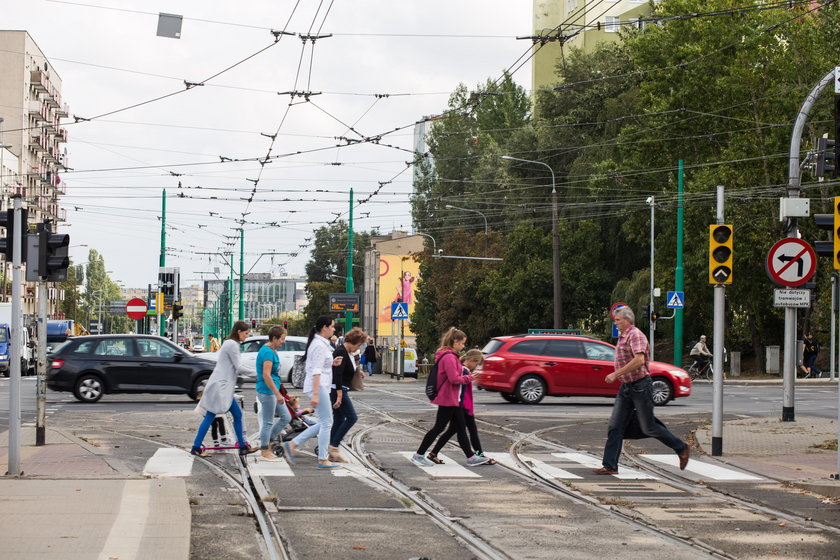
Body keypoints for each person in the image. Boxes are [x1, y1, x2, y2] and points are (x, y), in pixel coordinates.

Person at [594, 307, 690, 474]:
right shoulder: (622, 336)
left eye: (617, 320)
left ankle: (681, 448)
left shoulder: (635, 335)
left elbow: (639, 360)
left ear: (627, 320)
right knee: (615, 426)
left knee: (649, 427)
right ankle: (610, 465)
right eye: (615, 320)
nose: (615, 323)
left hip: (640, 386)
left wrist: (616, 374)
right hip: (626, 388)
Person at [410, 328, 490, 468]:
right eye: (462, 343)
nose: (463, 346)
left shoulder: (450, 356)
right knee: (439, 428)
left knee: (460, 428)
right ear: (455, 341)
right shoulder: (449, 357)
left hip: (453, 398)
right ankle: (419, 455)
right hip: (448, 398)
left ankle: (471, 457)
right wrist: (469, 378)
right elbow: (454, 379)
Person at [282, 316, 344, 469]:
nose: (334, 329)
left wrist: (332, 363)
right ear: (324, 327)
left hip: (320, 385)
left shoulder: (320, 344)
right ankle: (323, 459)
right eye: (332, 326)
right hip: (318, 386)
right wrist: (316, 394)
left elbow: (319, 365)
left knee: (325, 422)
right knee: (327, 423)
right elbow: (315, 370)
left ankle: (292, 445)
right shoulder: (319, 345)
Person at [191, 321, 258, 457]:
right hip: (221, 388)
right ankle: (196, 447)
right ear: (239, 331)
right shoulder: (232, 344)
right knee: (210, 416)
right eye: (246, 334)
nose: (246, 337)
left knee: (237, 415)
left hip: (223, 387)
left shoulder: (230, 343)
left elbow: (236, 366)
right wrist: (259, 373)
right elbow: (239, 367)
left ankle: (242, 446)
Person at [427, 349, 495, 465]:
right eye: (476, 363)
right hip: (463, 406)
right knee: (470, 430)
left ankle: (433, 453)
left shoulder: (464, 370)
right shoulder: (464, 371)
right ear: (471, 360)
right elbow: (463, 392)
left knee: (451, 430)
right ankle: (479, 456)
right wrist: (467, 407)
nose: (476, 366)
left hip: (461, 405)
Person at [329, 327, 366, 463]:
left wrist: (358, 372)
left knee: (339, 419)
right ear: (353, 341)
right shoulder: (341, 352)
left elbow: (347, 369)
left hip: (339, 388)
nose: (358, 347)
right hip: (337, 389)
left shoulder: (347, 352)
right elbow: (337, 374)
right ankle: (334, 446)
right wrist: (339, 395)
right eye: (359, 345)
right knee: (352, 417)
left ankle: (331, 449)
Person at [255, 325, 292, 461]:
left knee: (286, 417)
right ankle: (265, 450)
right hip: (267, 391)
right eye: (282, 338)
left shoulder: (272, 350)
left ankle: (268, 440)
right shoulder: (268, 352)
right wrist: (277, 394)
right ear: (274, 338)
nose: (284, 341)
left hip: (272, 391)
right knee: (268, 422)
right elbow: (266, 375)